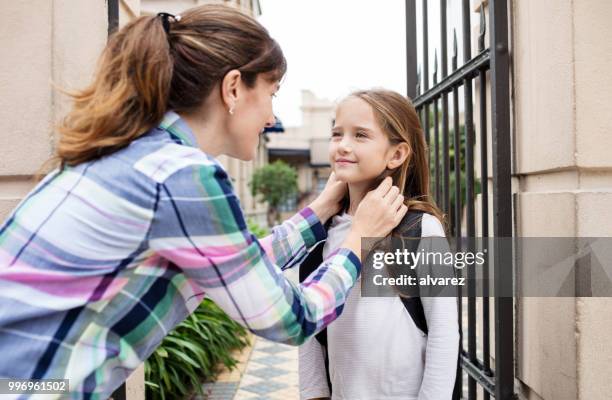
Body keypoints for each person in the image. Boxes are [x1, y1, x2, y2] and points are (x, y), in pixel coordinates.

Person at [0, 6, 408, 398]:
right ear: (233, 88)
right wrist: (360, 238)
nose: (271, 116)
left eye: (360, 135)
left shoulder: (138, 153)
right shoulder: (182, 176)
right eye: (271, 93)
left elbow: (236, 266)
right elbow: (291, 318)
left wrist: (319, 212)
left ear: (398, 154)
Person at [299, 90, 460, 400]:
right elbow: (307, 322)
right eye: (336, 133)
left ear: (396, 155)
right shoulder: (321, 231)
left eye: (360, 135)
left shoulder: (421, 228)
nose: (343, 145)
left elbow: (444, 330)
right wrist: (314, 392)